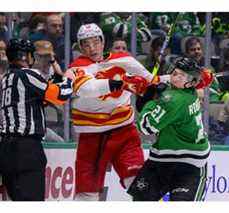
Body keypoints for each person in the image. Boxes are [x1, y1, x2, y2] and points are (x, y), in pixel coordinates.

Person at [68, 23, 170, 201]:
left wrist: (191, 78)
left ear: (102, 41)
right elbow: (87, 89)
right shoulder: (76, 68)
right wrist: (121, 83)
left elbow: (153, 80)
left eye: (95, 42)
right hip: (91, 138)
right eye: (86, 44)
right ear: (80, 46)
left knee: (140, 183)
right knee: (87, 195)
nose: (92, 48)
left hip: (124, 133)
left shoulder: (124, 60)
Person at [127, 58, 213, 201]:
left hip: (188, 163)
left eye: (181, 75)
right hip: (165, 157)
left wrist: (149, 102)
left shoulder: (173, 99)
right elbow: (201, 78)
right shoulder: (188, 90)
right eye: (175, 72)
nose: (175, 76)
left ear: (191, 82)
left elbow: (146, 127)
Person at [0, 38, 73, 201]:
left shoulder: (7, 78)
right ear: (24, 56)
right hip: (25, 149)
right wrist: (69, 79)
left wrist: (56, 77)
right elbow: (60, 96)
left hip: (6, 149)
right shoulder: (27, 74)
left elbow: (41, 98)